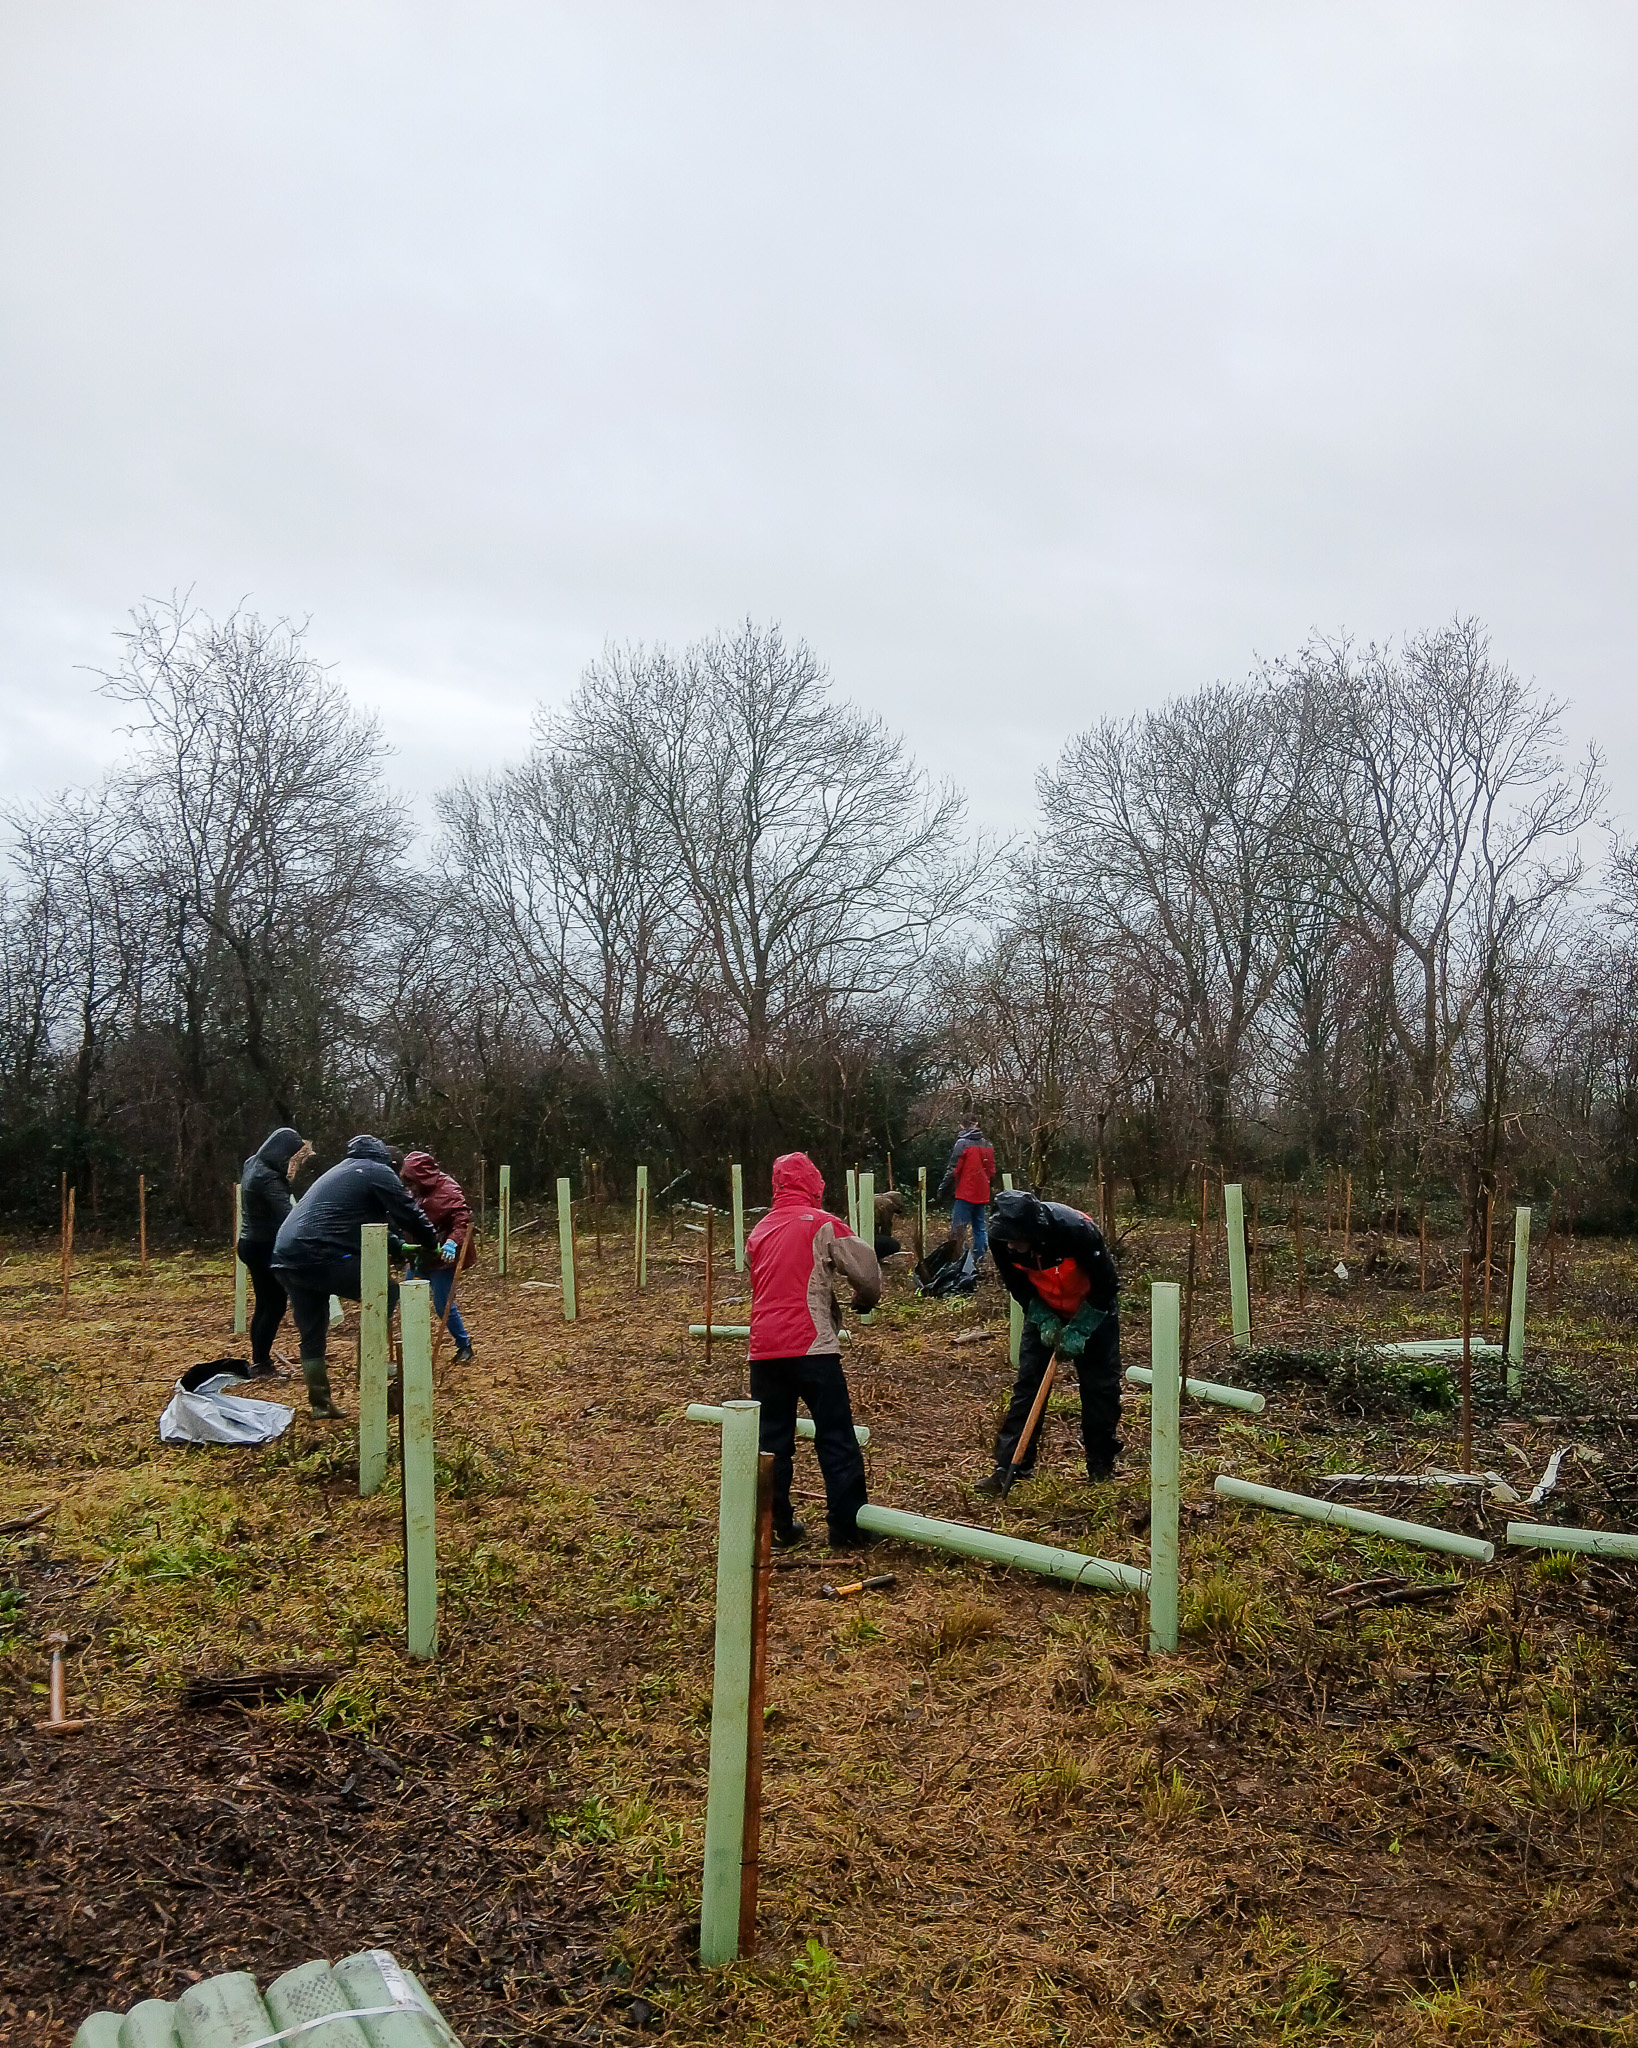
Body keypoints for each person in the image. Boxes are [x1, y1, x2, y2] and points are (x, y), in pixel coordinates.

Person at [746, 1152, 879, 1549]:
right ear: (814, 1184)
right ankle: (847, 1529)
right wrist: (864, 1300)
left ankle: (775, 1527)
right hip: (812, 1348)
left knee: (771, 1442)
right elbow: (867, 1272)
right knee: (836, 1436)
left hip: (763, 1351)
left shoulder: (759, 1230)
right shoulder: (823, 1223)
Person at [271, 1134, 452, 1418]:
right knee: (385, 1292)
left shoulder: (341, 1172)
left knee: (312, 1329)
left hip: (286, 1258)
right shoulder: (377, 1170)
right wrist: (430, 1244)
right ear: (390, 1162)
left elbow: (362, 1223)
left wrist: (399, 1246)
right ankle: (369, 1367)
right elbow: (408, 1213)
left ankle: (320, 1404)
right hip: (320, 1254)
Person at [976, 1188, 1122, 1495]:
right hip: (1045, 1307)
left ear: (1033, 1231)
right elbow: (1018, 1287)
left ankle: (1100, 1465)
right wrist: (1044, 1318)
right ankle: (1010, 1466)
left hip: (1093, 1308)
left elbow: (1107, 1285)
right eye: (1006, 1239)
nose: (1010, 1245)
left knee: (1099, 1387)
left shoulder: (1077, 1231)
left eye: (1017, 1238)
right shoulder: (1001, 1240)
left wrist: (1081, 1327)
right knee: (1028, 1384)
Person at [236, 1127, 314, 1376]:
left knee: (264, 1303)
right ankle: (262, 1363)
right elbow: (287, 1216)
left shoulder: (252, 1164)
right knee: (275, 1304)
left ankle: (260, 1359)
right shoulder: (268, 1178)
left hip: (250, 1242)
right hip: (264, 1246)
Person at [401, 1150, 478, 1364]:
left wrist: (453, 1242)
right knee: (410, 1298)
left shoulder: (449, 1189)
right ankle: (415, 1347)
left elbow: (462, 1219)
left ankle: (464, 1346)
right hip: (418, 1253)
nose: (410, 1187)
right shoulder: (411, 1193)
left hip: (443, 1257)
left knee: (443, 1304)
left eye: (412, 1182)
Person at [937, 1119, 996, 1269]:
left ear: (962, 1126)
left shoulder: (962, 1143)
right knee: (980, 1227)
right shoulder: (987, 1144)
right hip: (982, 1193)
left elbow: (954, 1169)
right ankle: (980, 1260)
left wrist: (943, 1189)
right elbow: (991, 1171)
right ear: (976, 1125)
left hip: (965, 1192)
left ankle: (957, 1261)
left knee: (958, 1228)